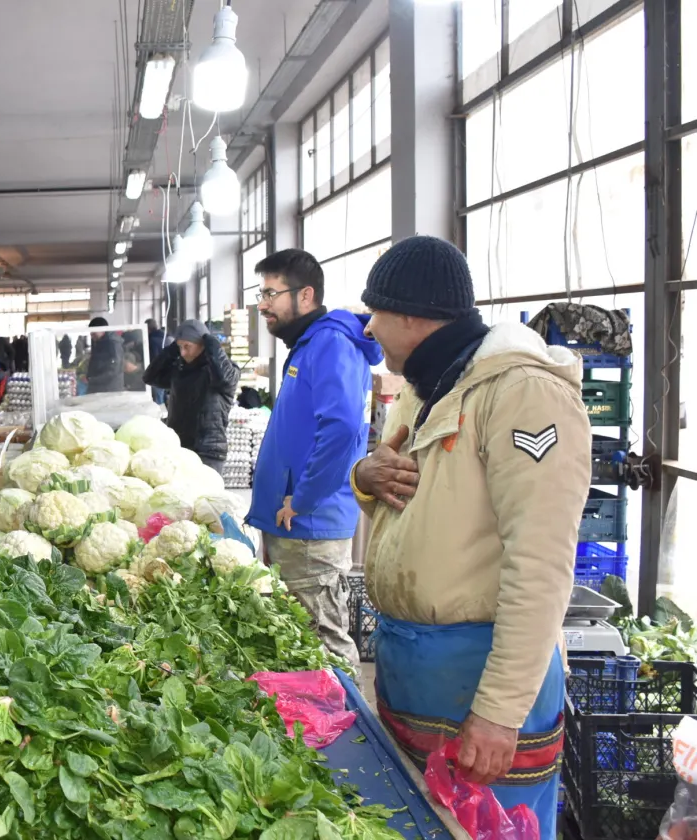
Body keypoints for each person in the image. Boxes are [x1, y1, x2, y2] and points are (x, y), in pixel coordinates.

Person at [351, 237, 589, 840]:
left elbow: (540, 564)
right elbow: (407, 495)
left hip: (479, 672)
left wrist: (499, 711)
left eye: (376, 310)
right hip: (413, 667)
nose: (370, 324)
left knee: (490, 827)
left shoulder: (523, 395)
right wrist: (365, 476)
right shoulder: (424, 386)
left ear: (411, 315)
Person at [244, 249, 381, 673]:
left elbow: (340, 428)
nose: (262, 303)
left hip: (309, 525)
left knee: (323, 642)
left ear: (306, 295)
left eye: (271, 293)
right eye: (260, 292)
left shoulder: (329, 343)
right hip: (295, 522)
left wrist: (301, 499)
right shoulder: (309, 343)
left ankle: (351, 735)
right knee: (302, 639)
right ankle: (317, 729)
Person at [143, 319, 238, 474]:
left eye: (187, 346)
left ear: (202, 345)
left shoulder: (223, 371)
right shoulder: (179, 370)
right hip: (179, 447)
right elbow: (150, 377)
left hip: (208, 450)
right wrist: (171, 351)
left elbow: (224, 379)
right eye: (180, 347)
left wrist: (214, 347)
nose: (183, 353)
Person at [84, 317, 125, 393]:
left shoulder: (113, 344)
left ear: (102, 330)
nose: (91, 335)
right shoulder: (99, 342)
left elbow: (113, 371)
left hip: (110, 390)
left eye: (93, 332)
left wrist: (92, 380)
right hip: (100, 388)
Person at [145, 318, 167, 404]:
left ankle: (161, 416)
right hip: (166, 371)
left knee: (158, 399)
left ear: (147, 329)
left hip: (157, 373)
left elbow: (153, 358)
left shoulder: (152, 340)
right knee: (163, 395)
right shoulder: (164, 337)